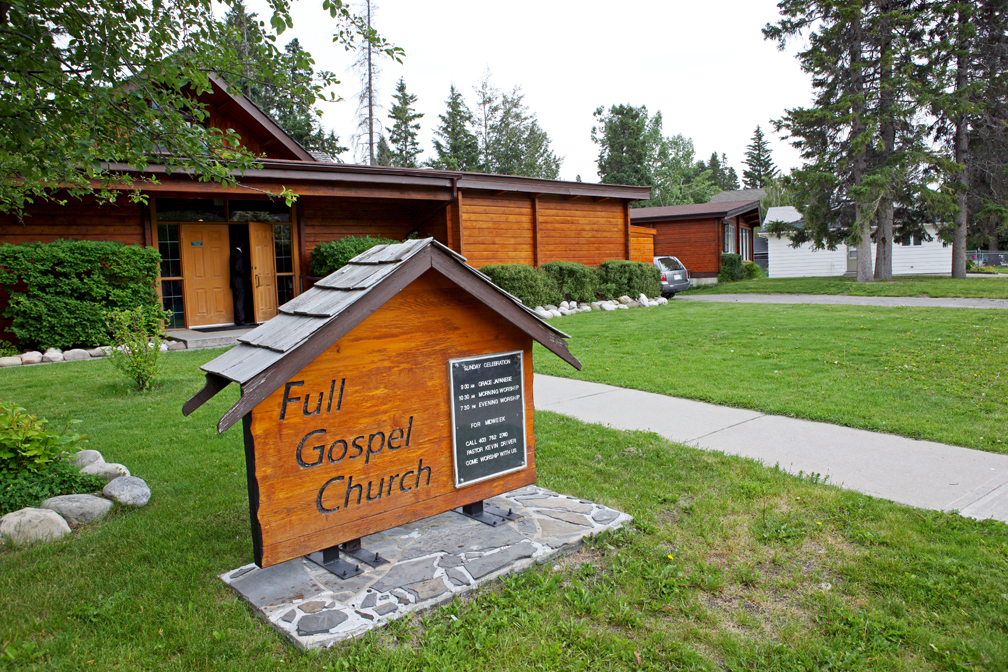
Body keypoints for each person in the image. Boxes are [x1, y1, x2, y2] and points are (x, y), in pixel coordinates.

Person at [231, 244, 248, 325]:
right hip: (239, 282)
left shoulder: (233, 253)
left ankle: (240, 319)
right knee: (240, 300)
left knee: (238, 300)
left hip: (236, 282)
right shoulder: (238, 254)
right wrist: (246, 276)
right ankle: (240, 320)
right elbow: (238, 268)